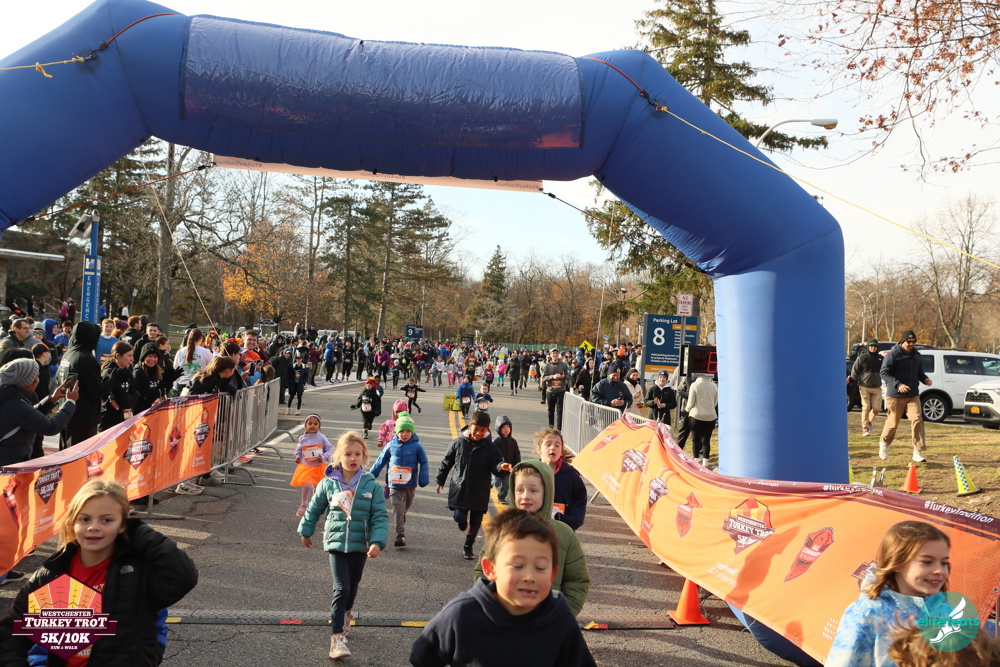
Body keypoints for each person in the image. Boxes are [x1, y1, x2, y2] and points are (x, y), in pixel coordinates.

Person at [0, 479, 198, 664]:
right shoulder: (51, 574)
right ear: (72, 522)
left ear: (123, 525)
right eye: (85, 519)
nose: (93, 527)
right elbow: (12, 633)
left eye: (106, 520)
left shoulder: (139, 572)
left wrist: (138, 530)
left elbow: (184, 577)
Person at [410, 509, 597, 667]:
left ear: (552, 574)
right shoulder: (461, 615)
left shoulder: (559, 619)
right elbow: (422, 657)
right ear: (490, 569)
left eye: (540, 567)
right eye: (517, 565)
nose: (530, 577)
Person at [298, 431, 388, 661]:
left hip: (360, 545)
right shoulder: (328, 483)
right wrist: (306, 531)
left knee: (353, 586)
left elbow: (379, 516)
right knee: (342, 588)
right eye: (348, 454)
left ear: (364, 456)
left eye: (357, 454)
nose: (353, 458)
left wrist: (377, 542)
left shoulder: (371, 485)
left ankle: (346, 613)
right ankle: (337, 638)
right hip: (336, 543)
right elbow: (314, 509)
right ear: (338, 456)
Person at [826, 521, 950, 667]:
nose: (939, 571)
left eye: (944, 563)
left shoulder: (945, 611)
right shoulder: (868, 613)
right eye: (927, 562)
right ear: (897, 562)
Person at [473, 460, 590, 616]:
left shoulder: (565, 534)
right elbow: (483, 571)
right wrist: (493, 605)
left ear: (547, 493)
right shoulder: (504, 529)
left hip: (547, 621)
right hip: (505, 618)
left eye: (533, 490)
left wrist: (561, 615)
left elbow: (577, 581)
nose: (525, 496)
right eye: (520, 490)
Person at [436, 411, 512, 560]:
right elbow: (446, 462)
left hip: (480, 491)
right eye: (476, 429)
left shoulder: (491, 447)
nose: (478, 433)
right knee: (459, 516)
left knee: (476, 522)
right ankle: (462, 521)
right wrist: (440, 480)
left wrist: (500, 466)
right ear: (470, 426)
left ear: (487, 429)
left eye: (482, 430)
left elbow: (496, 463)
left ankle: (468, 545)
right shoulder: (458, 443)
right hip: (460, 489)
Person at [0, 359, 78, 466]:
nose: (38, 380)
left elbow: (28, 416)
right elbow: (51, 427)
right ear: (28, 382)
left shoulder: (7, 396)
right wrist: (70, 402)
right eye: (36, 377)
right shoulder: (15, 404)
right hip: (9, 465)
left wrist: (51, 399)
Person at [370, 412, 430, 548]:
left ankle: (402, 515)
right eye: (402, 431)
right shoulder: (391, 445)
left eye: (408, 431)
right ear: (397, 432)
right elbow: (380, 461)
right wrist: (370, 475)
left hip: (410, 484)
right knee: (397, 507)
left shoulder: (417, 447)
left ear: (412, 432)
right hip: (394, 484)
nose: (404, 434)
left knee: (405, 507)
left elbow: (424, 462)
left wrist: (423, 477)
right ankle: (400, 535)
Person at [879, 330, 931, 463]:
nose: (911, 344)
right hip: (896, 395)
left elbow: (919, 372)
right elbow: (884, 373)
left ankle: (917, 451)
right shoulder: (893, 354)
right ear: (902, 341)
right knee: (893, 423)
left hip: (913, 394)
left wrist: (925, 379)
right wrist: (898, 384)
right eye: (909, 341)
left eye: (914, 342)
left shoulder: (916, 354)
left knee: (917, 419)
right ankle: (884, 444)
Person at [56, 321, 109, 450]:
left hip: (67, 414)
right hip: (83, 418)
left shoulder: (69, 354)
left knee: (66, 455)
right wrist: (113, 379)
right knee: (79, 457)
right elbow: (97, 391)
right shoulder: (85, 358)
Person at [535, 428, 587, 531]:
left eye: (557, 445)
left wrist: (563, 519)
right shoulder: (531, 472)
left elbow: (579, 503)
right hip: (535, 528)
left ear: (561, 451)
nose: (553, 448)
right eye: (548, 444)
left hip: (561, 529)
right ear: (539, 449)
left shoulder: (571, 476)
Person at [290, 414, 333, 517]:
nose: (312, 426)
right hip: (306, 466)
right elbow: (299, 449)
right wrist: (298, 456)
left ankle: (315, 504)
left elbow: (330, 449)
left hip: (318, 466)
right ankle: (304, 504)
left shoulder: (321, 437)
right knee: (307, 484)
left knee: (317, 487)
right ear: (305, 426)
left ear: (319, 426)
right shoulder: (302, 438)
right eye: (310, 423)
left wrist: (323, 457)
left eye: (315, 424)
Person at [99, 341, 138, 430]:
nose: (132, 359)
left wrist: (128, 403)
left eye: (132, 356)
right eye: (129, 356)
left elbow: (135, 394)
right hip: (110, 423)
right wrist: (125, 402)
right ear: (118, 355)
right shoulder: (110, 372)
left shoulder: (126, 371)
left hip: (124, 420)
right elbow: (122, 399)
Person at [852, 338, 884, 437]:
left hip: (877, 387)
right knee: (866, 407)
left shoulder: (881, 359)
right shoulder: (862, 358)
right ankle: (865, 429)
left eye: (875, 346)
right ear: (868, 347)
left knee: (877, 408)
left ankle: (869, 420)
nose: (873, 348)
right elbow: (855, 371)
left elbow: (885, 371)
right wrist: (854, 382)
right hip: (864, 386)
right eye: (871, 346)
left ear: (877, 347)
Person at [686, 374, 718, 467]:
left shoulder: (694, 385)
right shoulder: (714, 386)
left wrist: (686, 410)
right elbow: (715, 402)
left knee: (695, 439)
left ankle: (696, 461)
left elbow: (691, 402)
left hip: (696, 415)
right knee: (706, 440)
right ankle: (705, 463)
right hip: (710, 416)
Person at [172, 328, 212, 394]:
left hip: (182, 384)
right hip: (198, 385)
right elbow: (211, 368)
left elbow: (175, 368)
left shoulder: (180, 351)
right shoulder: (206, 352)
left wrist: (175, 385)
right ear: (201, 338)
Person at [492, 416, 521, 503]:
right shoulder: (496, 441)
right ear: (498, 429)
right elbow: (492, 455)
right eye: (503, 427)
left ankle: (501, 497)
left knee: (506, 485)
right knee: (496, 483)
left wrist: (516, 466)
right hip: (498, 468)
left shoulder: (513, 442)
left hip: (509, 468)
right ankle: (489, 483)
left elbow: (517, 454)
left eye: (508, 427)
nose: (506, 429)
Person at [541, 347, 570, 429]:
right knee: (550, 411)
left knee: (560, 411)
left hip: (561, 391)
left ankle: (559, 429)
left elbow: (569, 376)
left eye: (556, 353)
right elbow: (544, 378)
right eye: (553, 353)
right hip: (550, 391)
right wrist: (552, 377)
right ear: (550, 355)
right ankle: (551, 427)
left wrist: (563, 376)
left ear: (558, 354)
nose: (555, 355)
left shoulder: (563, 365)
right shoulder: (547, 365)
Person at [287, 351, 309, 416]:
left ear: (301, 360)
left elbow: (306, 376)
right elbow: (289, 375)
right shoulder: (292, 366)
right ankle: (288, 409)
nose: (298, 360)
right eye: (297, 359)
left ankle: (298, 410)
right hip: (293, 384)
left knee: (299, 397)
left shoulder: (304, 367)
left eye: (299, 359)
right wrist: (289, 383)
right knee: (291, 396)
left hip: (300, 384)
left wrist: (304, 382)